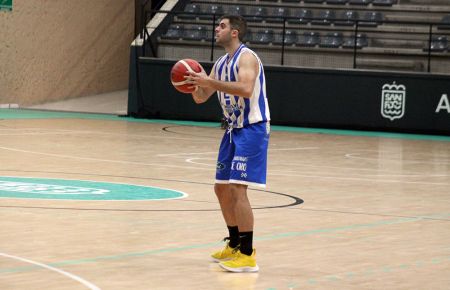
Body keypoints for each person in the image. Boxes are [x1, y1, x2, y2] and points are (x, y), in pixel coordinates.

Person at [186, 15, 270, 273]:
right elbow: (201, 97)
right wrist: (190, 84)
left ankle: (247, 254)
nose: (216, 29)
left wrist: (208, 82)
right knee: (221, 189)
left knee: (237, 188)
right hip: (232, 131)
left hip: (252, 128)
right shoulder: (221, 63)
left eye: (222, 26)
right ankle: (234, 244)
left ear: (234, 32)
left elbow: (245, 88)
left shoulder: (247, 57)